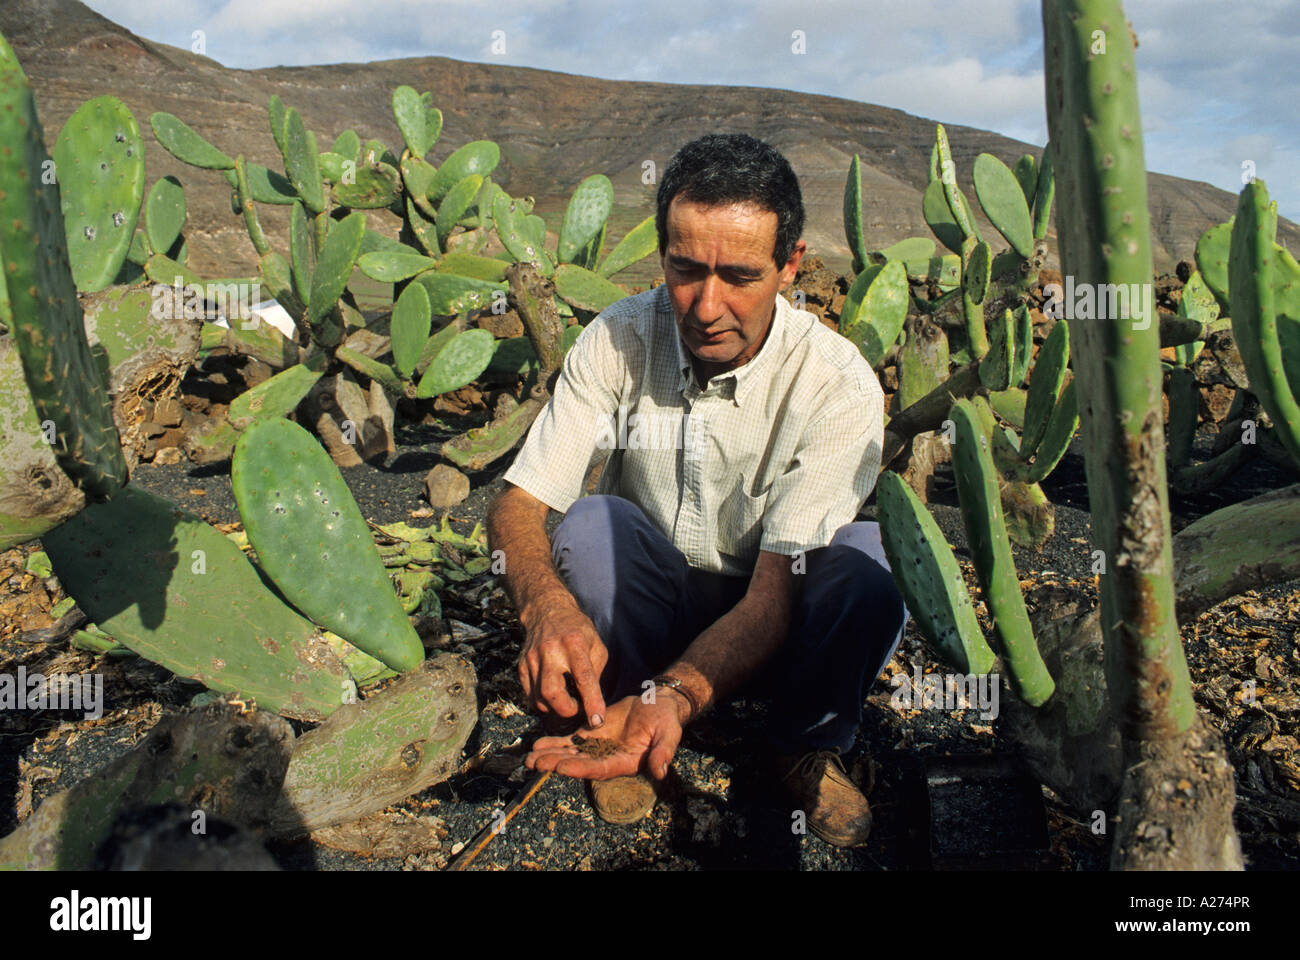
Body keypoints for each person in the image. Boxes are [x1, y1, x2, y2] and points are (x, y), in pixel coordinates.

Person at [485, 133, 908, 848]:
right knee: (591, 527)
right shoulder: (617, 338)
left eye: (740, 276)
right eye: (685, 270)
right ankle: (613, 720)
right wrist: (545, 605)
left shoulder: (836, 383)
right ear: (662, 255)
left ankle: (800, 744)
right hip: (656, 608)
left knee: (870, 560)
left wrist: (677, 697)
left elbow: (776, 595)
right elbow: (519, 503)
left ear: (790, 264)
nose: (707, 306)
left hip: (774, 616)